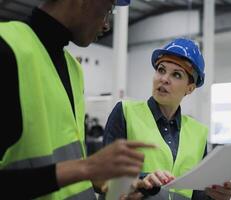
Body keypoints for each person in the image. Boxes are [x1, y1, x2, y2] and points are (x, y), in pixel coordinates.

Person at [0, 0, 154, 199]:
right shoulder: (6, 50)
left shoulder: (74, 69)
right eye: (108, 10)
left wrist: (104, 184)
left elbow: (65, 164)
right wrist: (85, 167)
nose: (106, 24)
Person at [103, 38, 231, 200]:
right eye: (161, 70)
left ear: (190, 88)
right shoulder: (125, 112)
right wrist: (142, 180)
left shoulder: (198, 133)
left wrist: (214, 195)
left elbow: (195, 194)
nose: (164, 78)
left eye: (176, 75)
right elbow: (105, 179)